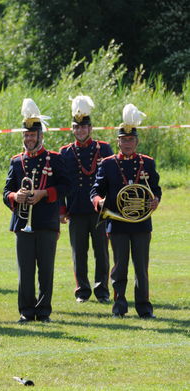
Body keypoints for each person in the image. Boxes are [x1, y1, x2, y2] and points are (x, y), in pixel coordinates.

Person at [91, 104, 161, 319]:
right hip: (118, 223)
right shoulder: (108, 164)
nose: (127, 143)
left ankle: (144, 308)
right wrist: (99, 201)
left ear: (136, 141)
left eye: (131, 140)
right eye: (124, 140)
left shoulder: (147, 163)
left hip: (141, 224)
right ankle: (119, 306)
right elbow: (95, 190)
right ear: (118, 142)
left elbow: (155, 190)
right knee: (119, 267)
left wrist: (155, 200)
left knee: (141, 268)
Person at [3, 99, 70, 323]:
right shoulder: (16, 161)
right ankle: (26, 310)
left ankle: (43, 311)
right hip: (22, 222)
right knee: (25, 270)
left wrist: (44, 193)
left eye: (33, 135)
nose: (29, 139)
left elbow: (66, 186)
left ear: (41, 136)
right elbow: (6, 192)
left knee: (46, 270)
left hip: (46, 221)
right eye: (26, 135)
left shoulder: (56, 159)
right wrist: (15, 196)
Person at [59, 96, 113, 303]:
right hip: (76, 209)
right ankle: (82, 290)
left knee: (102, 252)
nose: (80, 131)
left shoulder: (104, 149)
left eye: (84, 127)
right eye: (76, 127)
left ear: (90, 128)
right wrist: (62, 209)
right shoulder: (65, 152)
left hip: (99, 210)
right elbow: (62, 183)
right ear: (73, 129)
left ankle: (102, 291)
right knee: (78, 254)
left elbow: (111, 179)